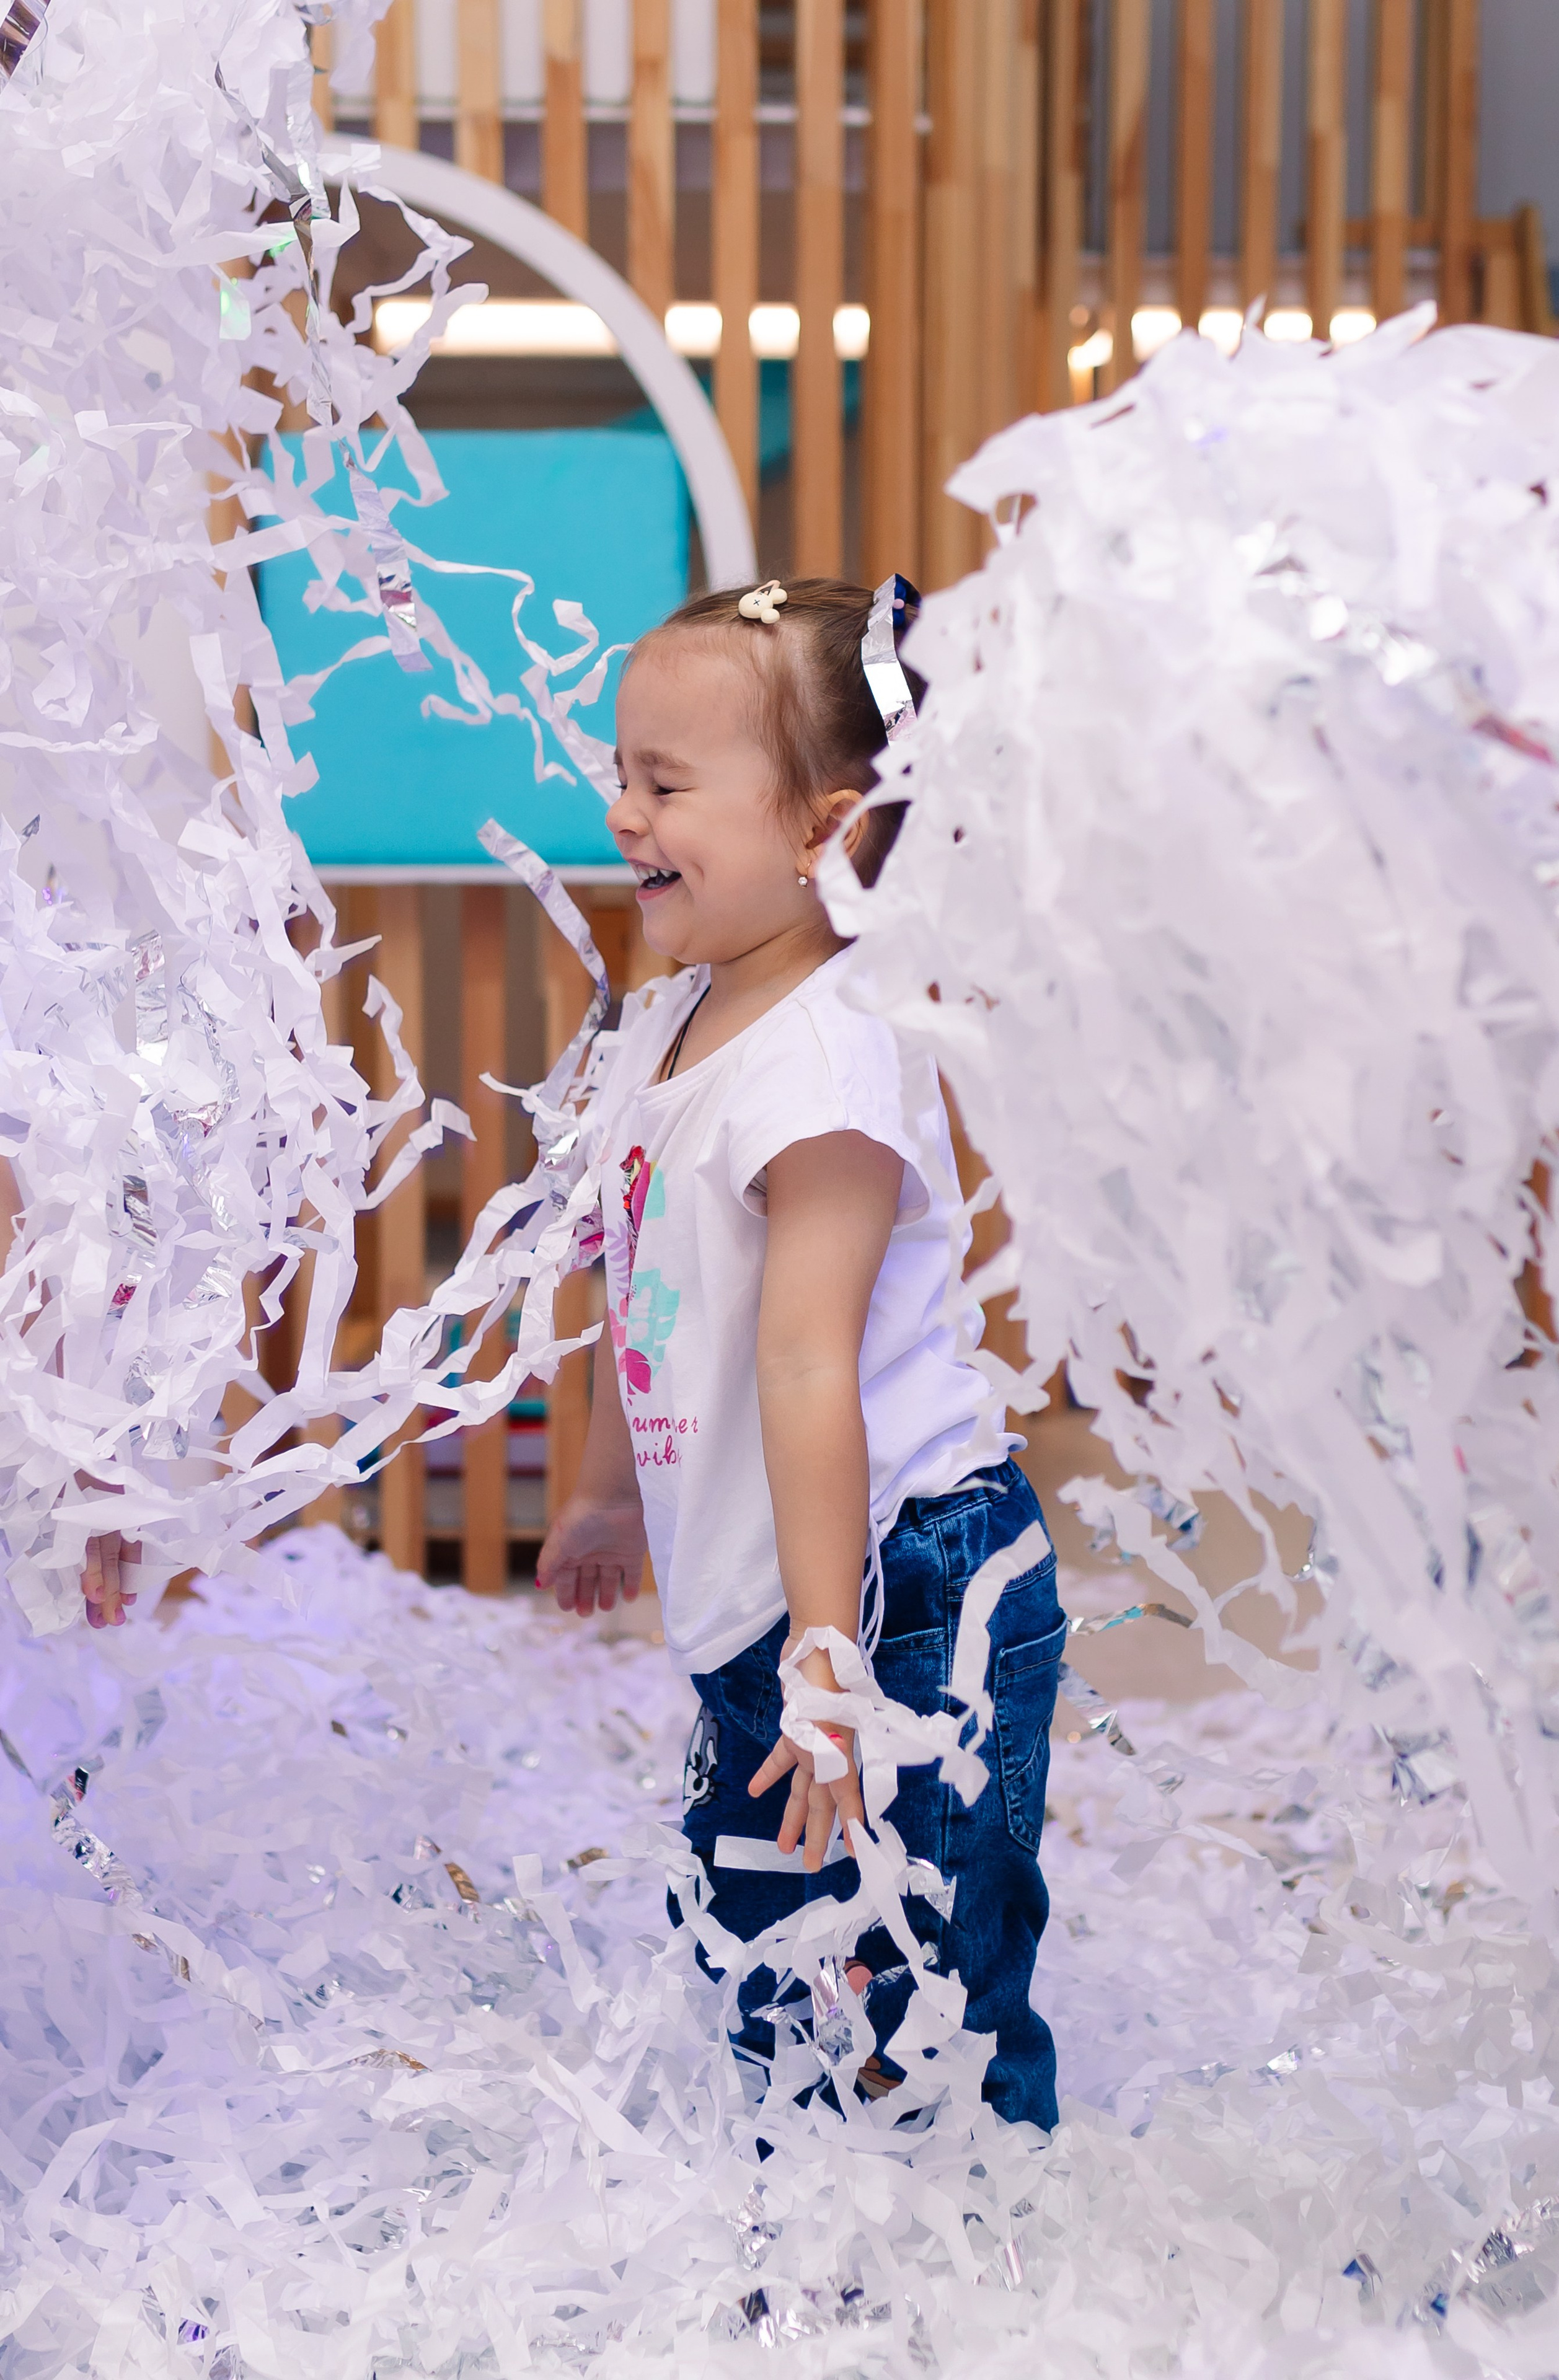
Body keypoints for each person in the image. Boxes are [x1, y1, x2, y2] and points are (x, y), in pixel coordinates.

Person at [535, 576, 1067, 2132]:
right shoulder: (676, 1019)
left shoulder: (825, 1062)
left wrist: (830, 1667)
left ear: (824, 828)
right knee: (765, 1936)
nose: (620, 809)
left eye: (666, 783)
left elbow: (800, 1368)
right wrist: (606, 1499)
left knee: (925, 1970)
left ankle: (979, 2256)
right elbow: (647, 1292)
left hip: (903, 1593)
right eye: (620, 770)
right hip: (778, 1591)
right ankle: (813, 2224)